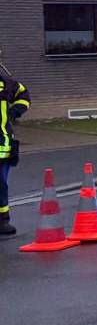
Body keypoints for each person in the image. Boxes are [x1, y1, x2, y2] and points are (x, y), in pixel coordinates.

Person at [0, 66, 31, 237]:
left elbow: (23, 95)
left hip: (2, 145)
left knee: (1, 184)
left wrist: (14, 112)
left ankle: (2, 221)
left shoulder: (6, 84)